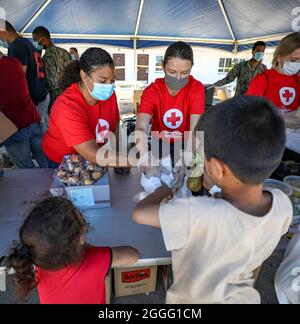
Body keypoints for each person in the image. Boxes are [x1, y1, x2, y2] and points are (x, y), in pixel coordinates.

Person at [132, 96, 293, 304]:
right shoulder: (282, 203)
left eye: (202, 158)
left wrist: (161, 191)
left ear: (217, 168)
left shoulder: (196, 213)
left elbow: (139, 214)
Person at [5, 197, 139, 304]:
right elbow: (132, 254)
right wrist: (89, 249)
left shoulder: (38, 257)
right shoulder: (95, 258)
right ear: (79, 240)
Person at [42, 47, 127, 169]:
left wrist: (119, 158)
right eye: (102, 81)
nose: (109, 86)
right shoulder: (66, 106)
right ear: (84, 75)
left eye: (112, 80)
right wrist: (132, 161)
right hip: (61, 161)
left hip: (94, 157)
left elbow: (115, 128)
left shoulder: (109, 95)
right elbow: (92, 154)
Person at [136, 41, 205, 161]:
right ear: (163, 67)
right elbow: (141, 128)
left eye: (184, 73)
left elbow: (195, 131)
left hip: (186, 143)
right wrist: (145, 158)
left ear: (191, 68)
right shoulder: (152, 91)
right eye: (172, 72)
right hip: (159, 142)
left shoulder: (196, 89)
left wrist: (187, 160)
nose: (178, 78)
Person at [0, 53, 48, 168]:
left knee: (26, 170)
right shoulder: (15, 62)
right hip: (34, 119)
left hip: (15, 128)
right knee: (46, 164)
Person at [0, 20, 49, 131]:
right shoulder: (25, 42)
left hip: (34, 101)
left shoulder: (16, 46)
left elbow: (18, 78)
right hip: (42, 94)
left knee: (29, 138)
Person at [247, 33, 300, 113]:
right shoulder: (262, 80)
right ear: (279, 58)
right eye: (293, 60)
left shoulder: (298, 80)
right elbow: (247, 112)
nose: (297, 64)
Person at [32, 26, 71, 110]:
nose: (34, 43)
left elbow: (53, 83)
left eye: (35, 41)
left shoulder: (47, 56)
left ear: (42, 40)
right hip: (69, 96)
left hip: (56, 101)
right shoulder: (65, 52)